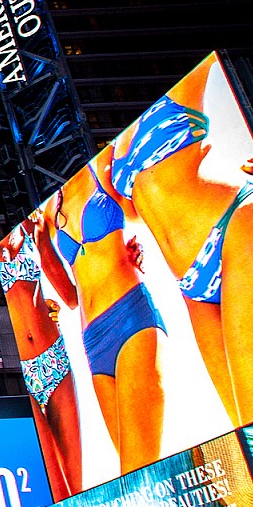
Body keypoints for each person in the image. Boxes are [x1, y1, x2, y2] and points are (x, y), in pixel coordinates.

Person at [101, 56, 253, 430]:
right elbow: (136, 206)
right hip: (189, 281)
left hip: (240, 224)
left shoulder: (177, 88)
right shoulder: (108, 144)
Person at [48, 155, 165, 475]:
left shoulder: (100, 167)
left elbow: (146, 207)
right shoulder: (48, 209)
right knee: (134, 474)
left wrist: (137, 245)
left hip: (130, 315)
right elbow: (69, 297)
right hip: (93, 341)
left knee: (140, 463)